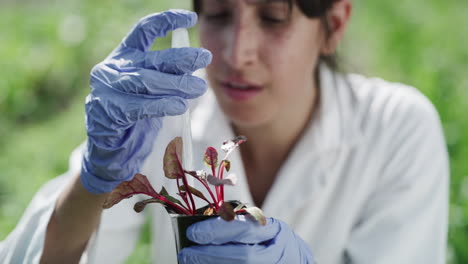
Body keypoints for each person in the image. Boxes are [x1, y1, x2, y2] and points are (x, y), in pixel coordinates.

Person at [0, 0, 449, 263]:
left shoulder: (397, 129)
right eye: (217, 14)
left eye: (273, 17)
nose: (238, 52)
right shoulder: (164, 117)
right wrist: (94, 180)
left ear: (333, 25)